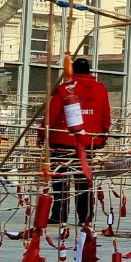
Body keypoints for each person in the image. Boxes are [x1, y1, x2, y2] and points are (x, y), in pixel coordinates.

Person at [42, 58, 111, 226]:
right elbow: (105, 116)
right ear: (89, 71)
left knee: (60, 180)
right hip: (88, 141)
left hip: (62, 140)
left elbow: (52, 115)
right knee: (84, 180)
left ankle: (59, 215)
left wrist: (42, 134)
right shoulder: (101, 90)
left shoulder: (65, 89)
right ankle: (85, 216)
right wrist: (102, 137)